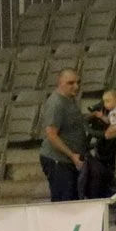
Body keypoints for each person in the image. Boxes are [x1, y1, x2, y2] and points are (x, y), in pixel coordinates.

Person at [39, 67, 84, 202]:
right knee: (64, 203)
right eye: (71, 83)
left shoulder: (70, 99)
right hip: (58, 161)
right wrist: (72, 155)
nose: (76, 86)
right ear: (60, 82)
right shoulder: (56, 103)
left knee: (71, 200)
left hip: (67, 161)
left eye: (78, 82)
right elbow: (51, 134)